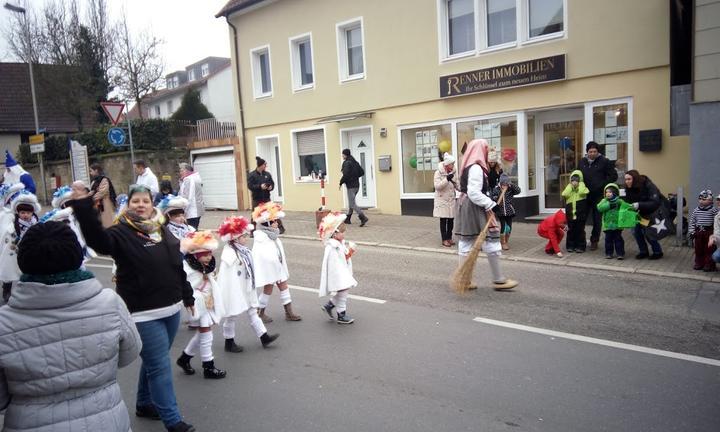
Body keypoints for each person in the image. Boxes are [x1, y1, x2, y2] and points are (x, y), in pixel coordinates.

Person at [70, 184, 197, 432]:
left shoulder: (161, 228)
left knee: (153, 361)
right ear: (128, 204)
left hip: (171, 309)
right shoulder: (120, 232)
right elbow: (98, 240)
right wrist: (85, 207)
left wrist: (188, 296)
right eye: (135, 201)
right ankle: (173, 421)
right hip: (143, 313)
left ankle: (144, 403)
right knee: (160, 365)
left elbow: (175, 266)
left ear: (152, 205)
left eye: (145, 201)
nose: (141, 205)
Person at [0, 222, 141, 432]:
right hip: (107, 421)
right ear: (76, 257)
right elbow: (129, 353)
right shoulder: (110, 303)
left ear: (23, 261)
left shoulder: (5, 322)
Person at [454, 139, 517, 290]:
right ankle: (498, 280)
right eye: (486, 150)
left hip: (469, 206)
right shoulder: (476, 168)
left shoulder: (471, 166)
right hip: (474, 207)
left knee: (469, 243)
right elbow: (474, 192)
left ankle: (466, 280)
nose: (488, 153)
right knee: (489, 241)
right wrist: (491, 205)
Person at [217, 216, 279, 352]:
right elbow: (228, 278)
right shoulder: (230, 255)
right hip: (235, 290)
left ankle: (264, 336)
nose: (246, 238)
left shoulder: (243, 251)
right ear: (235, 238)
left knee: (252, 311)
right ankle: (229, 341)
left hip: (246, 287)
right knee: (231, 315)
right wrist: (234, 292)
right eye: (243, 236)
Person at [176, 231, 227, 379]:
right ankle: (208, 366)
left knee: (203, 332)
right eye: (204, 255)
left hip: (208, 302)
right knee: (206, 333)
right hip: (197, 304)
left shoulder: (207, 266)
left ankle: (185, 358)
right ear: (196, 255)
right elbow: (187, 286)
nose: (208, 257)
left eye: (209, 254)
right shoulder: (188, 268)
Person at [252, 202, 302, 322]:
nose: (277, 223)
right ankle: (260, 312)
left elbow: (278, 253)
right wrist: (275, 267)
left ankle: (288, 312)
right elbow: (264, 257)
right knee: (268, 289)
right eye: (274, 221)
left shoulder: (273, 236)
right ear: (267, 223)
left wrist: (279, 266)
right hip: (271, 269)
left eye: (276, 221)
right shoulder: (261, 238)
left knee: (283, 287)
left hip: (277, 268)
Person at [0, 190, 40, 303]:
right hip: (15, 251)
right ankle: (7, 288)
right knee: (10, 268)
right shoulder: (12, 225)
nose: (25, 215)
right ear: (18, 213)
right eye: (22, 212)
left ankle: (29, 291)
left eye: (28, 213)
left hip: (30, 251)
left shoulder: (36, 223)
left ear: (32, 213)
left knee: (29, 272)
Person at [318, 212, 358, 324]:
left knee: (343, 291)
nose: (344, 234)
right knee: (344, 291)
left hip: (342, 273)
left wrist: (350, 251)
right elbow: (334, 263)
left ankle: (329, 306)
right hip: (338, 274)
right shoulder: (332, 247)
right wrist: (340, 276)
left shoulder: (340, 244)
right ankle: (341, 315)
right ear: (334, 234)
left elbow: (344, 258)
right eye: (342, 232)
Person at [40, 185, 96, 264]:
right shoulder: (60, 216)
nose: (72, 206)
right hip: (66, 248)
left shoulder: (76, 215)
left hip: (78, 246)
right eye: (69, 204)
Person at [579, 141, 618, 250]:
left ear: (598, 151)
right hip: (584, 195)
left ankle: (594, 241)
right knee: (581, 218)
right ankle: (581, 240)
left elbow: (613, 176)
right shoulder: (582, 162)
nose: (592, 153)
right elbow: (577, 174)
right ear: (587, 152)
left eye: (595, 151)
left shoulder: (605, 161)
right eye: (590, 151)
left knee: (597, 220)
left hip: (599, 196)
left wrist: (602, 185)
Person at [623, 169, 663, 260]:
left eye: (629, 179)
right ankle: (643, 251)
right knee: (635, 232)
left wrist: (639, 205)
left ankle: (657, 251)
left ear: (635, 179)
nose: (627, 181)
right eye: (626, 179)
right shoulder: (628, 188)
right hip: (637, 213)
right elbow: (628, 200)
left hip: (649, 213)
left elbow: (654, 202)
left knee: (648, 232)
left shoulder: (647, 185)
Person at [597, 183, 637, 260]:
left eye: (610, 192)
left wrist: (632, 207)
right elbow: (599, 208)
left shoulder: (619, 201)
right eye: (606, 192)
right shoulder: (604, 201)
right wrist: (609, 205)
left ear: (614, 193)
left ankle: (620, 253)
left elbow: (626, 206)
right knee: (608, 240)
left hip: (617, 225)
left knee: (618, 240)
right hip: (607, 225)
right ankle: (609, 253)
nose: (608, 194)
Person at [248, 156, 285, 234]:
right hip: (257, 198)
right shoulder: (252, 175)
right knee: (254, 215)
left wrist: (270, 187)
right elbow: (250, 186)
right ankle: (252, 231)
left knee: (273, 213)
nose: (266, 166)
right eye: (265, 164)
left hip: (266, 198)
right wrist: (259, 186)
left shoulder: (267, 174)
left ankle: (280, 227)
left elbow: (272, 183)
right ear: (260, 165)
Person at [433, 153, 459, 247]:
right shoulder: (438, 173)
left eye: (453, 163)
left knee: (451, 220)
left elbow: (457, 184)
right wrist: (446, 179)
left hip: (451, 200)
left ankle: (449, 238)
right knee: (443, 220)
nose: (453, 165)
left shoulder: (454, 172)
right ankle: (444, 239)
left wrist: (462, 188)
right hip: (442, 200)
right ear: (446, 164)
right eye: (452, 164)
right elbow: (437, 186)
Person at [689, 189, 718, 272]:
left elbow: (717, 220)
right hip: (699, 233)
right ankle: (699, 263)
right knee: (698, 249)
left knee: (709, 249)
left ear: (710, 200)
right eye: (700, 199)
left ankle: (709, 264)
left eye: (704, 199)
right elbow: (692, 221)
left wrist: (715, 233)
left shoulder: (713, 210)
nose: (701, 201)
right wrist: (692, 232)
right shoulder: (696, 210)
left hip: (709, 233)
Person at [561, 170, 590, 253]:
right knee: (571, 230)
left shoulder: (583, 188)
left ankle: (580, 246)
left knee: (580, 230)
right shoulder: (569, 189)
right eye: (572, 180)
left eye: (576, 180)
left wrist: (581, 184)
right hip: (570, 214)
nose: (574, 182)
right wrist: (570, 186)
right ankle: (570, 246)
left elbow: (582, 192)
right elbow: (564, 194)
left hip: (580, 214)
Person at [491, 173, 521, 251]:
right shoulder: (496, 189)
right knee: (503, 227)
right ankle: (503, 242)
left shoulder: (511, 189)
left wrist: (511, 185)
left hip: (509, 211)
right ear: (500, 183)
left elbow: (518, 191)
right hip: (500, 212)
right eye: (503, 184)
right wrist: (496, 197)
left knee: (509, 228)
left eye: (506, 184)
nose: (504, 186)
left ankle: (506, 240)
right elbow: (492, 197)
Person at [340, 149, 369, 226]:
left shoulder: (346, 163)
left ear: (345, 155)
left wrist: (341, 182)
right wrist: (355, 176)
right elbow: (362, 172)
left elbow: (345, 175)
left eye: (342, 154)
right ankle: (348, 218)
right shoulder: (355, 162)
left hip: (351, 186)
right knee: (351, 202)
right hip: (357, 186)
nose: (342, 156)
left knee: (352, 203)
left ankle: (363, 217)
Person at [90, 163, 118, 228]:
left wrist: (91, 198)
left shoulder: (104, 179)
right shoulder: (94, 181)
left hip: (105, 204)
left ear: (96, 170)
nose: (90, 173)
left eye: (91, 171)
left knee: (107, 222)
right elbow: (92, 191)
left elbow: (102, 192)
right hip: (97, 205)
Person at [178, 163, 204, 230]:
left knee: (191, 232)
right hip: (196, 211)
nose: (180, 173)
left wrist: (183, 211)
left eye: (181, 170)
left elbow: (187, 197)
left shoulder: (189, 180)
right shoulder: (195, 178)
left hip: (191, 211)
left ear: (186, 170)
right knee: (194, 230)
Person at [710, 194, 720, 264]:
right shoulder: (717, 216)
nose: (718, 202)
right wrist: (714, 238)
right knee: (716, 256)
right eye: (718, 200)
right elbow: (717, 233)